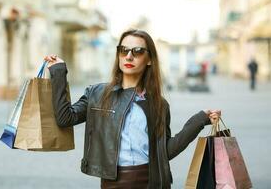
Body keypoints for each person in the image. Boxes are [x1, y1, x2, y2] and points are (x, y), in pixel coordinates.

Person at [44, 29, 221, 189]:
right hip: (113, 182)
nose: (129, 56)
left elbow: (165, 152)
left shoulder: (158, 104)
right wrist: (59, 72)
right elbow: (65, 118)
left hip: (152, 181)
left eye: (137, 51)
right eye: (124, 50)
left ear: (149, 59)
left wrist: (199, 120)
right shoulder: (97, 93)